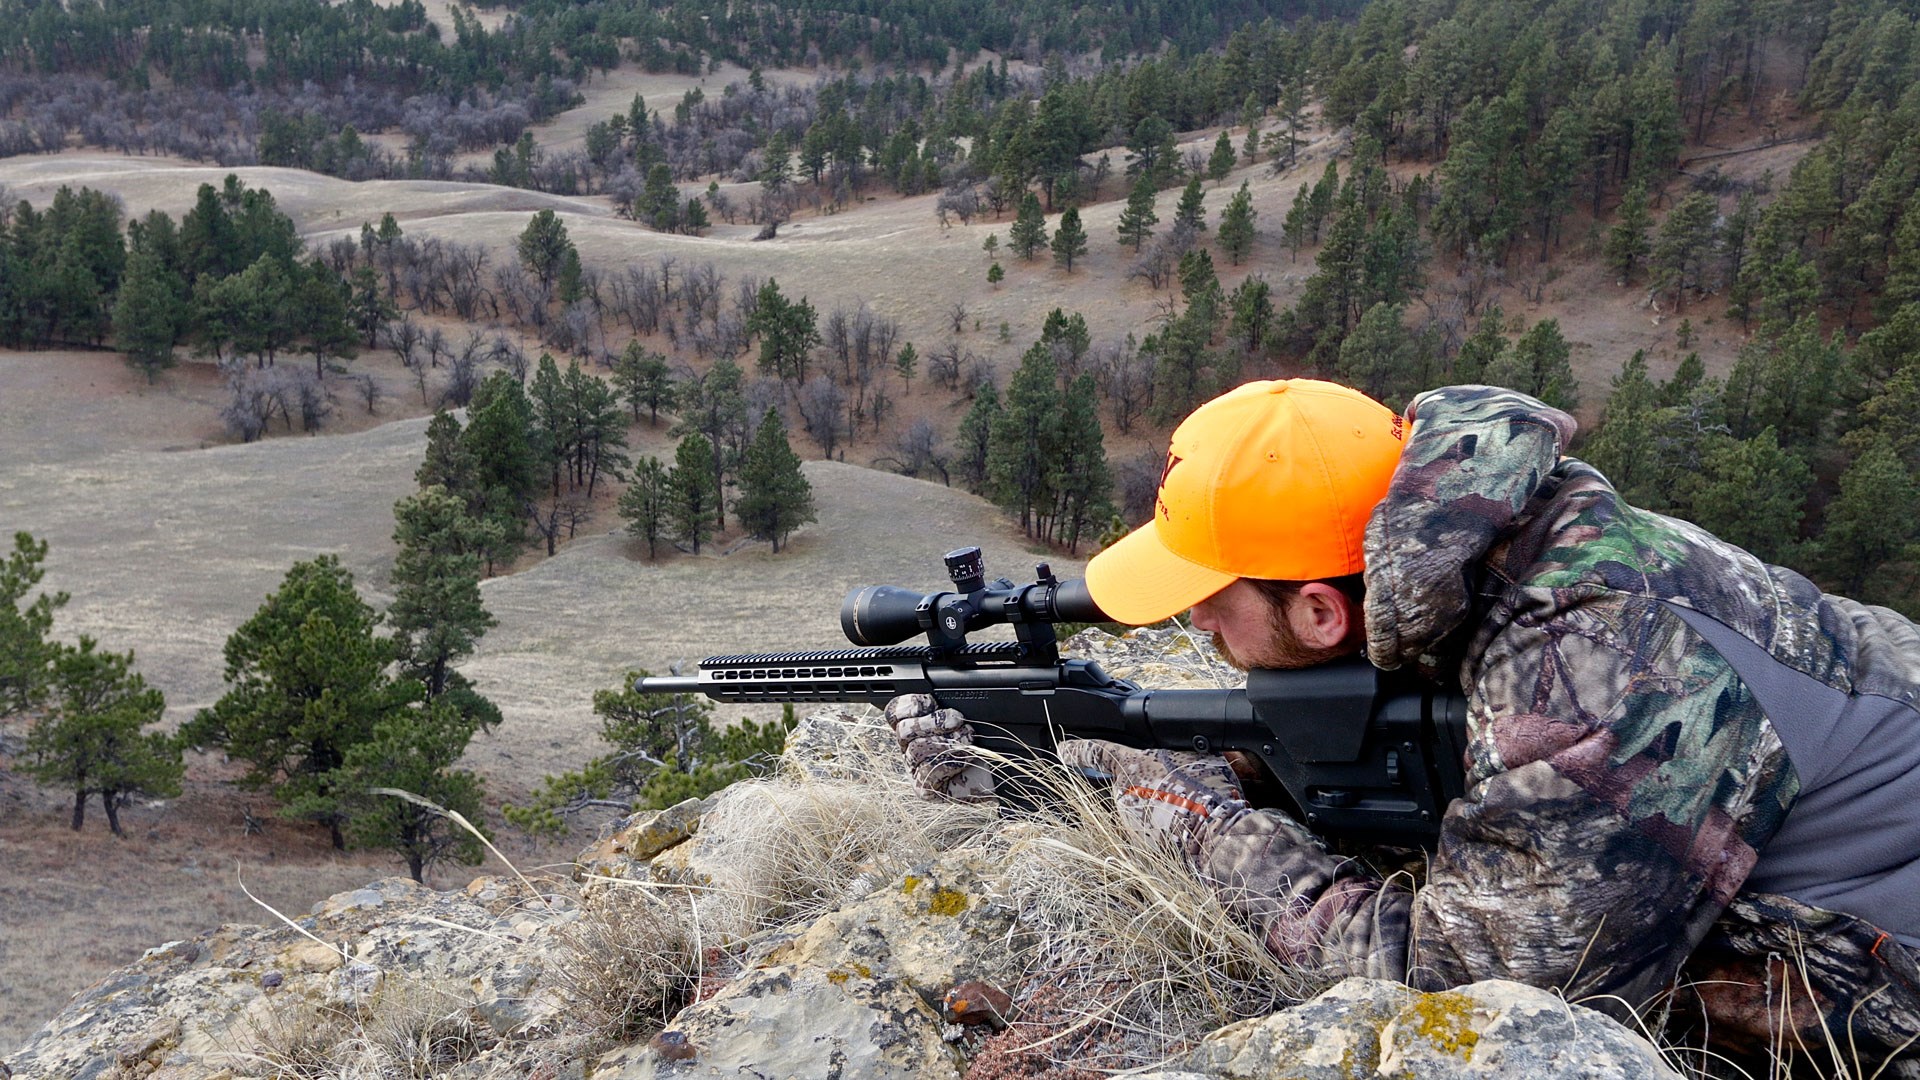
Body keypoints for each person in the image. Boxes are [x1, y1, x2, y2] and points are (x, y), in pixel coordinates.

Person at [886, 379, 1920, 1073]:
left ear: (1323, 611)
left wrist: (1188, 818)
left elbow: (1454, 996)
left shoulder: (1590, 672)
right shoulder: (1472, 553)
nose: (1194, 619)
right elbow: (1396, 756)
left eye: (1214, 596)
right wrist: (1048, 766)